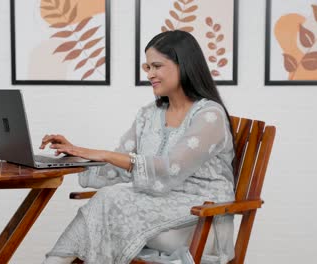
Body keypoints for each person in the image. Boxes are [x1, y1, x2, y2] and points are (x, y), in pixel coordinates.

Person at [40, 30, 236, 264]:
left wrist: (102, 153)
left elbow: (169, 169)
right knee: (109, 199)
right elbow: (121, 166)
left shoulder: (209, 116)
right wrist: (75, 154)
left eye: (157, 66)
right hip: (160, 208)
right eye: (147, 68)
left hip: (201, 217)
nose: (150, 74)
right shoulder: (148, 115)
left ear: (183, 65)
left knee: (110, 199)